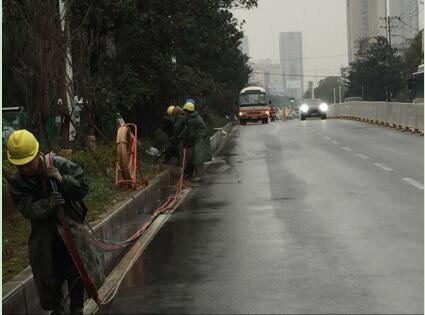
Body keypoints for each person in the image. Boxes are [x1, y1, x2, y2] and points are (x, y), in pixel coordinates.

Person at [6, 129, 104, 315]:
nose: (25, 169)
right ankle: (57, 309)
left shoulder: (58, 164)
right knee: (48, 277)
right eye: (20, 166)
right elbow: (26, 208)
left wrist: (62, 179)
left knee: (76, 271)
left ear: (36, 153)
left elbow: (83, 187)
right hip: (44, 238)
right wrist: (47, 204)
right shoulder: (17, 182)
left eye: (28, 164)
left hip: (70, 232)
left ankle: (77, 308)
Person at [183, 101, 212, 181]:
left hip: (200, 139)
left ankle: (199, 176)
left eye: (185, 111)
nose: (184, 113)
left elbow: (191, 134)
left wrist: (186, 143)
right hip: (199, 139)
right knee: (195, 157)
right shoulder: (195, 117)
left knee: (198, 157)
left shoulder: (193, 120)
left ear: (188, 111)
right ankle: (197, 175)